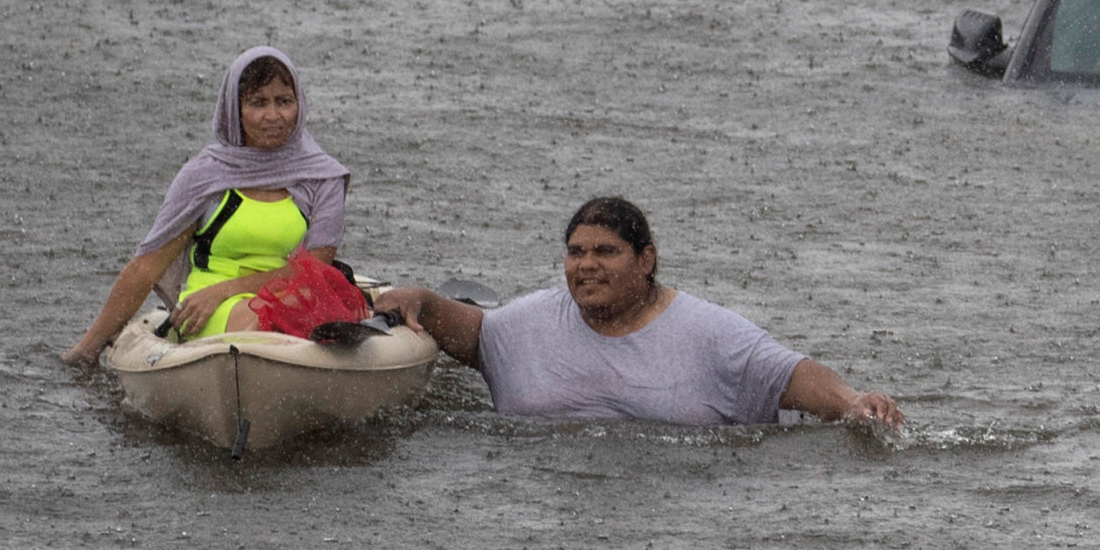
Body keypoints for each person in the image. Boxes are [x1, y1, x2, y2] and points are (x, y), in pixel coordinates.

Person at [375, 197, 903, 430]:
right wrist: (419, 298)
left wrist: (853, 402)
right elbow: (471, 332)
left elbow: (787, 372)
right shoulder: (528, 322)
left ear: (645, 260)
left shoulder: (710, 332)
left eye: (605, 252)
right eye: (576, 253)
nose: (586, 266)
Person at [64, 47, 355, 368]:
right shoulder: (204, 176)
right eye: (258, 103)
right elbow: (147, 267)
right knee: (264, 324)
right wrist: (87, 349)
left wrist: (228, 289)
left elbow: (315, 269)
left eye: (283, 101)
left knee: (309, 322)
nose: (273, 116)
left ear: (299, 105)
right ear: (235, 110)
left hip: (289, 299)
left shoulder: (323, 176)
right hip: (208, 305)